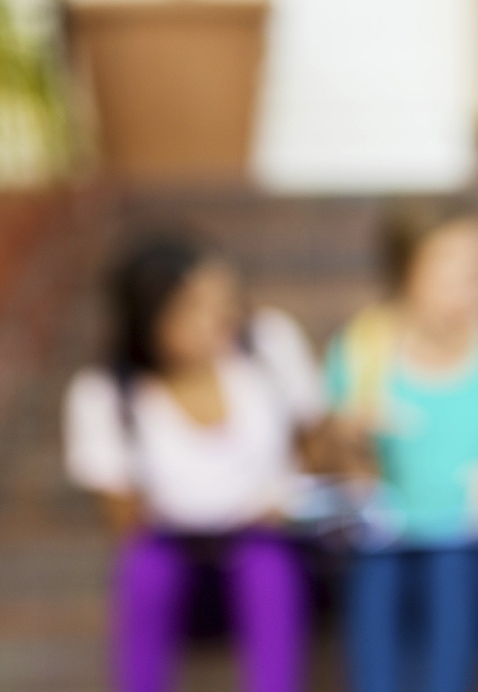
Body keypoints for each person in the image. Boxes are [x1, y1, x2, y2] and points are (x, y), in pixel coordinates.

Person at [323, 197, 478, 692]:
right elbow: (348, 485)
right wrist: (348, 439)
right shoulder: (362, 349)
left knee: (450, 564)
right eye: (456, 268)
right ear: (405, 273)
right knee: (377, 568)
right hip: (399, 548)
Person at [63, 235, 323, 692]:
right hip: (178, 561)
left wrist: (290, 498)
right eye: (195, 307)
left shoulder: (267, 347)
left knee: (265, 566)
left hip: (268, 547)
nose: (221, 320)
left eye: (225, 301)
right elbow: (126, 520)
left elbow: (313, 453)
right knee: (146, 569)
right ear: (149, 318)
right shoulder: (106, 395)